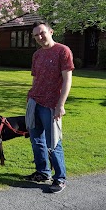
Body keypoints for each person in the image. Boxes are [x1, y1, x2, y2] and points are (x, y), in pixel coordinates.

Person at [24, 21, 74, 193]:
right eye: (36, 35)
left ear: (51, 32)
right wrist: (30, 97)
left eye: (42, 33)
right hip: (34, 102)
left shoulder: (63, 51)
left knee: (53, 143)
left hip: (51, 104)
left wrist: (61, 104)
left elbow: (67, 80)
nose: (39, 37)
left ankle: (60, 179)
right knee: (36, 140)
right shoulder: (37, 55)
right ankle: (43, 172)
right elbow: (36, 78)